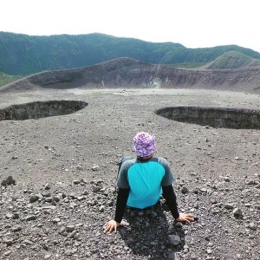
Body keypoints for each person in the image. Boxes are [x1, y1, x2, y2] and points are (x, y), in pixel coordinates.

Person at [104, 132, 194, 233]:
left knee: (125, 160)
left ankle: (122, 182)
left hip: (131, 203)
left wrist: (117, 220)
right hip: (153, 201)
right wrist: (176, 215)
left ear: (136, 148)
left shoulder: (127, 166)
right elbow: (168, 192)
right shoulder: (162, 163)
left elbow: (122, 194)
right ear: (152, 148)